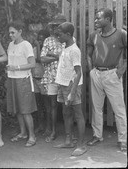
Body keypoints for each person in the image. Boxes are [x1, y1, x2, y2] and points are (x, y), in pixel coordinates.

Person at [86, 8, 127, 152]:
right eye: (95, 18)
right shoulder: (94, 35)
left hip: (112, 74)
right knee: (96, 108)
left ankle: (123, 140)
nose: (96, 21)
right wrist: (91, 70)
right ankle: (97, 136)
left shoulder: (121, 34)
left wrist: (121, 71)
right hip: (96, 73)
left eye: (99, 18)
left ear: (108, 19)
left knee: (119, 109)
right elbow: (89, 52)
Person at [53, 22, 87, 156]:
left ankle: (81, 145)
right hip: (62, 84)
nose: (57, 36)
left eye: (59, 34)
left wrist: (72, 92)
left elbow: (79, 72)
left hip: (72, 86)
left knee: (78, 115)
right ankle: (69, 141)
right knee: (66, 112)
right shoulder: (65, 46)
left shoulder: (74, 50)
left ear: (68, 35)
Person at [6, 20, 37, 147]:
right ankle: (23, 133)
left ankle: (32, 136)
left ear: (20, 32)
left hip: (23, 80)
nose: (11, 35)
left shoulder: (26, 45)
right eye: (9, 33)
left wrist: (16, 67)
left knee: (25, 110)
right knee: (17, 109)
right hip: (12, 79)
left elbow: (32, 64)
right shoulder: (10, 45)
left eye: (13, 32)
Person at [40, 14, 66, 143]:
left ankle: (69, 133)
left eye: (58, 26)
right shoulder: (48, 40)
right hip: (51, 77)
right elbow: (42, 58)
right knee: (53, 105)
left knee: (67, 105)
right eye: (54, 26)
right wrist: (58, 57)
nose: (56, 28)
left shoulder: (68, 39)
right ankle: (54, 131)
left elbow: (68, 59)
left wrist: (52, 54)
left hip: (65, 77)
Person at [31, 30, 50, 135]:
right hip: (35, 79)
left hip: (44, 80)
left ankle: (48, 127)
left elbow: (39, 59)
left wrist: (38, 46)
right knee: (38, 105)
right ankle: (40, 125)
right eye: (38, 39)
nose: (40, 41)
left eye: (42, 39)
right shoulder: (34, 49)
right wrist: (37, 47)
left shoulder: (46, 51)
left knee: (47, 105)